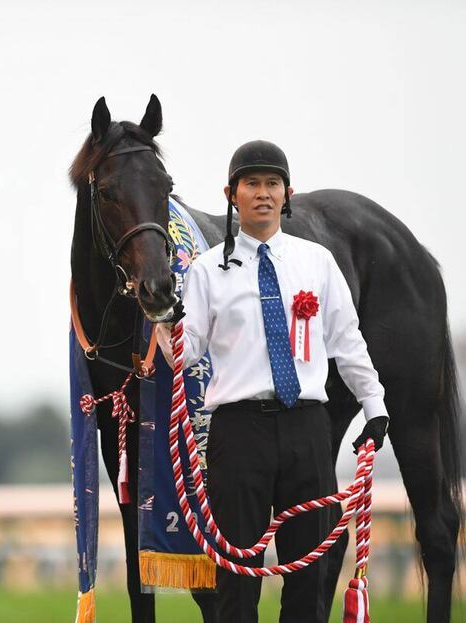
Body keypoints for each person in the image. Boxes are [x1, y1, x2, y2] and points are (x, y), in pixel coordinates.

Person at [156, 141, 389, 623]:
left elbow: (347, 341)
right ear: (231, 194)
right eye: (252, 184)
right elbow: (187, 352)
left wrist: (374, 406)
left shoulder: (317, 262)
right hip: (238, 433)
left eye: (272, 184)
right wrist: (166, 323)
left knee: (309, 572)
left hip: (307, 426)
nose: (263, 193)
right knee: (237, 576)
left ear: (287, 194)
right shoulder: (204, 272)